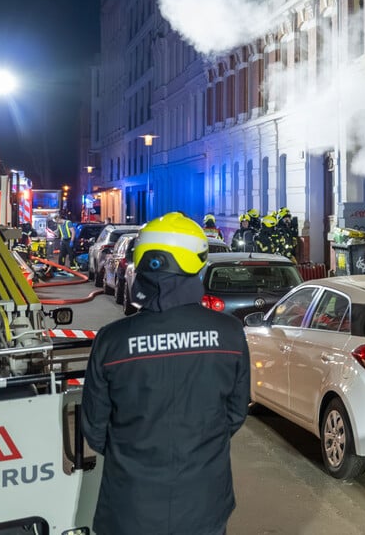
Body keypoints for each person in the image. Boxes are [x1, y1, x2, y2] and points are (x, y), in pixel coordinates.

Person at [81, 212, 250, 535]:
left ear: (144, 263)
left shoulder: (112, 341)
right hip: (204, 503)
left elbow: (95, 430)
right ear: (197, 263)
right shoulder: (229, 334)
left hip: (130, 506)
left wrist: (135, 451)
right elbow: (234, 414)